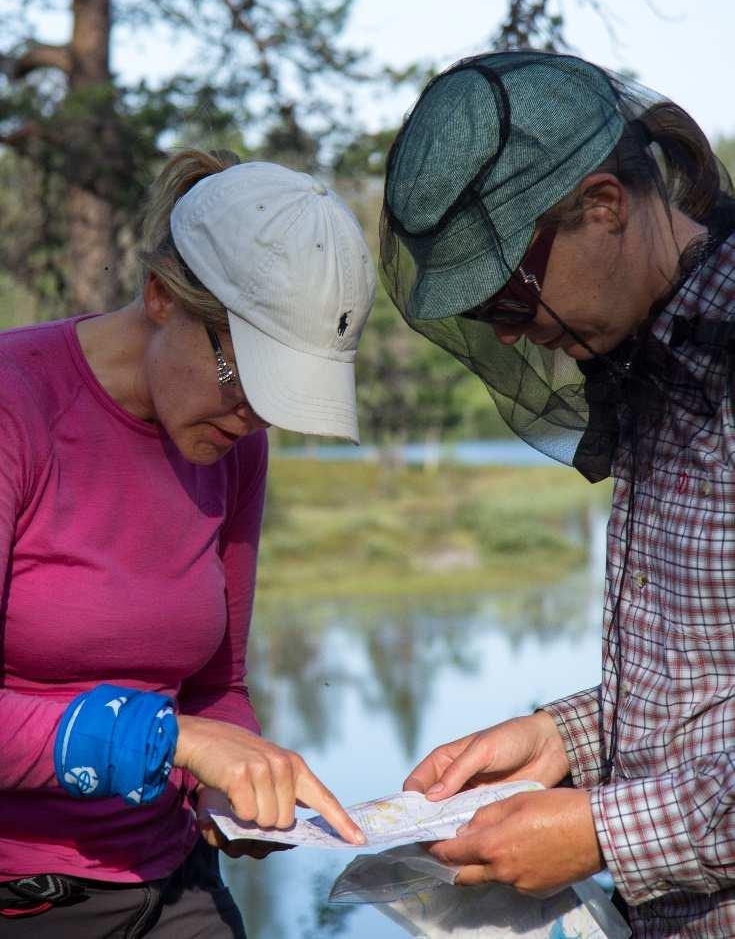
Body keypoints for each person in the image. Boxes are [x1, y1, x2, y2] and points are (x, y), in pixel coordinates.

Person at [380, 50, 735, 937]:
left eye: (512, 296)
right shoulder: (652, 356)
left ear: (602, 206)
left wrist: (602, 831)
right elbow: (707, 672)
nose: (519, 334)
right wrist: (564, 739)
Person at [0, 150, 376, 936]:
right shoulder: (17, 408)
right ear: (161, 297)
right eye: (247, 380)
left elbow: (216, 687)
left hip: (175, 883)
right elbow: (186, 728)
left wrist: (231, 785)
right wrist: (170, 740)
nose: (254, 419)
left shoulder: (231, 439)